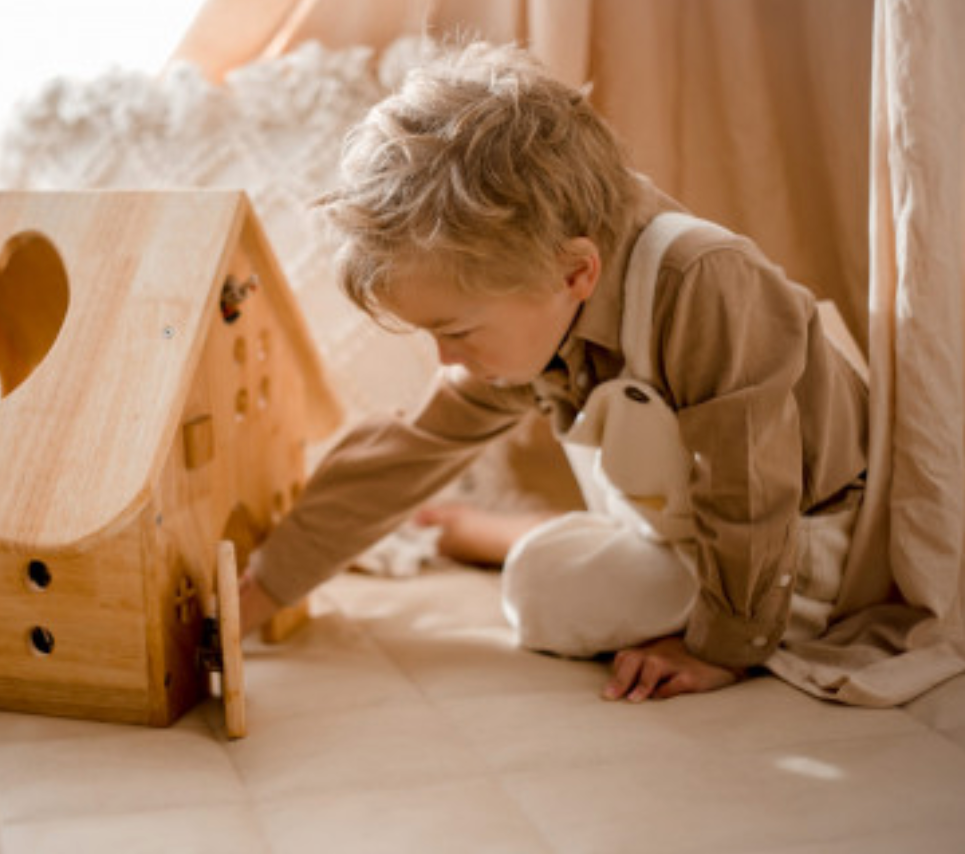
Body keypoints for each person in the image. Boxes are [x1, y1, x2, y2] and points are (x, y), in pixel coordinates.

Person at [238, 41, 870, 702]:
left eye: (456, 332)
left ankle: (488, 534)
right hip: (679, 523)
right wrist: (267, 583)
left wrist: (723, 647)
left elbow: (748, 488)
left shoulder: (702, 281)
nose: (448, 360)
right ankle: (480, 530)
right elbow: (408, 448)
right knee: (555, 568)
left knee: (544, 595)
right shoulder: (528, 280)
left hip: (795, 541)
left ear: (577, 272)